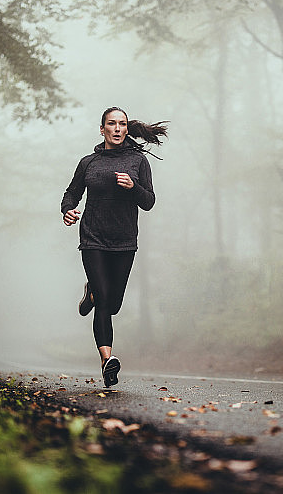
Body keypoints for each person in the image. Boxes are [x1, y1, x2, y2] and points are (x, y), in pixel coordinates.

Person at [61, 106, 167, 387]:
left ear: (126, 128)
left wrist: (133, 187)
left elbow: (149, 201)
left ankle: (91, 293)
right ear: (102, 129)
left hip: (124, 241)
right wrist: (68, 210)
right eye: (112, 124)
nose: (117, 129)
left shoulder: (138, 162)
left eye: (122, 124)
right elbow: (72, 193)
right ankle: (107, 361)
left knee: (114, 303)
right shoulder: (88, 163)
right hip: (93, 238)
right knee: (106, 303)